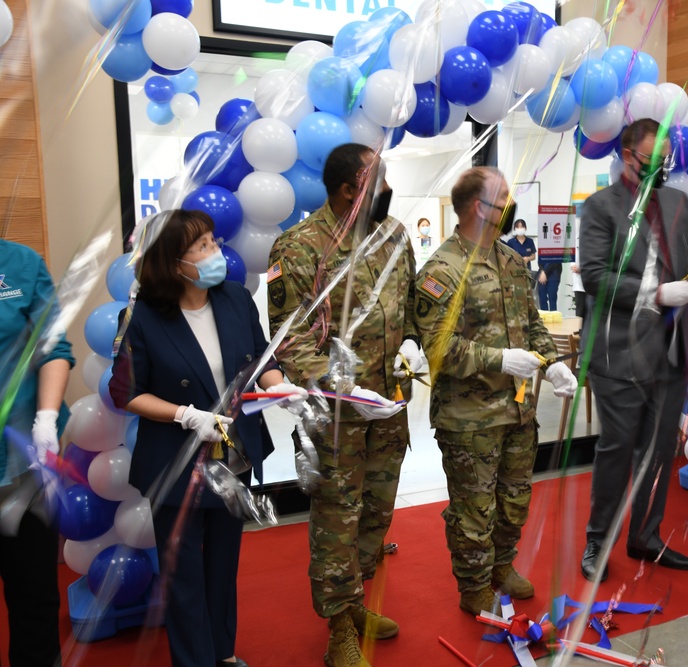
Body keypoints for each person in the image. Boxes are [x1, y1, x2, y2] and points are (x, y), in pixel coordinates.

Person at [110, 209, 304, 667]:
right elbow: (126, 392)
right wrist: (182, 414)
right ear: (173, 262)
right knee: (184, 577)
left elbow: (260, 360)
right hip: (175, 464)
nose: (215, 252)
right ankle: (194, 660)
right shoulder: (140, 317)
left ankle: (223, 654)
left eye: (214, 242)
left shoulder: (235, 298)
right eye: (202, 247)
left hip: (232, 458)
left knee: (222, 569)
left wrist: (277, 386)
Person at [267, 143, 418, 667]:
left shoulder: (393, 235)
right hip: (336, 419)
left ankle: (356, 605)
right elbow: (291, 341)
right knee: (337, 520)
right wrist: (343, 388)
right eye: (378, 183)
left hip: (388, 410)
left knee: (376, 513)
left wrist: (413, 343)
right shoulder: (299, 247)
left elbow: (412, 306)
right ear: (349, 190)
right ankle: (338, 630)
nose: (387, 191)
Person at [577, 118, 688, 582]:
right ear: (630, 157)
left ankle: (645, 536)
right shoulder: (600, 208)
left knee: (657, 453)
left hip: (670, 352)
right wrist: (655, 293)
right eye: (655, 157)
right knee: (617, 449)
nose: (664, 165)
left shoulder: (675, 200)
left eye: (667, 157)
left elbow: (687, 266)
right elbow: (594, 277)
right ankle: (597, 541)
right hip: (619, 352)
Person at [413, 167, 577, 615]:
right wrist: (498, 360)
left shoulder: (511, 262)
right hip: (469, 418)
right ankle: (474, 588)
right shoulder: (443, 270)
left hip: (518, 411)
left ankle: (501, 566)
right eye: (502, 198)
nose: (510, 206)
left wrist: (554, 363)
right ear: (475, 208)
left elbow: (532, 325)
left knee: (514, 499)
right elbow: (440, 348)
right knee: (474, 510)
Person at [0, 239, 73, 667]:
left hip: (22, 466)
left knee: (33, 600)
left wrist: (45, 418)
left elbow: (54, 347)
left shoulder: (21, 263)